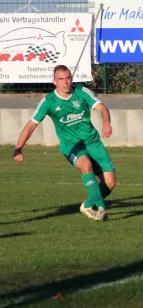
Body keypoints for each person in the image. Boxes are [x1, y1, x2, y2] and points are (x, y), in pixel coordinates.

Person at [13, 65, 115, 221]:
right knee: (85, 165)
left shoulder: (81, 92)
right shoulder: (49, 101)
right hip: (71, 146)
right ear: (54, 81)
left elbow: (101, 108)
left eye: (68, 78)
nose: (66, 82)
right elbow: (31, 125)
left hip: (93, 142)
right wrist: (18, 148)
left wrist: (106, 123)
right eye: (61, 79)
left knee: (110, 183)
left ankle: (88, 205)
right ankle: (101, 208)